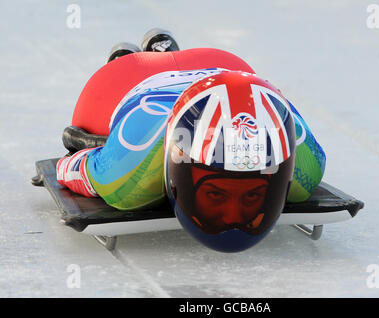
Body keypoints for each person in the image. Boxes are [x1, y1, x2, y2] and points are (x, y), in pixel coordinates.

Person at [57, 29, 326, 252]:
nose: (233, 216)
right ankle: (131, 59)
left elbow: (68, 167)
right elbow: (71, 166)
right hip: (135, 77)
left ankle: (144, 54)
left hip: (222, 68)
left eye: (253, 193)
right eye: (215, 193)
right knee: (97, 116)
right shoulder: (131, 170)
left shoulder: (306, 166)